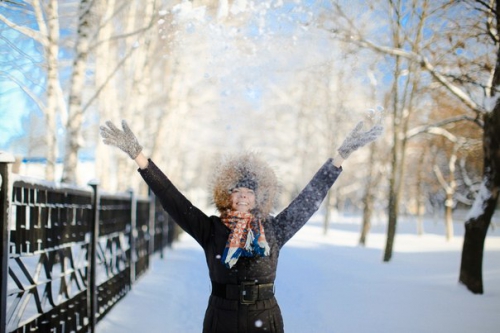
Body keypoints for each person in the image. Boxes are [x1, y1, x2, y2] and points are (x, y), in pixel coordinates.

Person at [99, 119, 383, 333]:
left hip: (266, 316)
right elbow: (173, 199)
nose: (244, 194)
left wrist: (341, 156)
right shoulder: (211, 229)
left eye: (250, 190)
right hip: (221, 316)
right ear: (228, 196)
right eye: (238, 190)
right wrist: (140, 158)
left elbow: (308, 201)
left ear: (258, 198)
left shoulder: (274, 229)